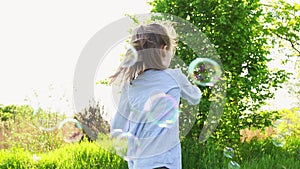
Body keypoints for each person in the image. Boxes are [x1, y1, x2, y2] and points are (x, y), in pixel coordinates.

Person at [109, 22, 202, 169]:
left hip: (140, 164)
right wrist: (193, 83)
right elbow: (195, 97)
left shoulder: (130, 85)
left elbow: (117, 127)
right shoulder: (175, 77)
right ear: (164, 50)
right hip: (166, 163)